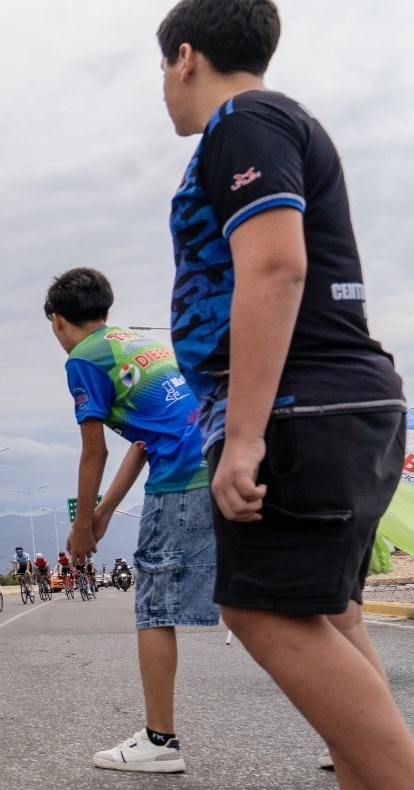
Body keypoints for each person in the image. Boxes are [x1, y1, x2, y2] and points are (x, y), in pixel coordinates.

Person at [157, 1, 414, 782]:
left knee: (259, 608)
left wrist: (243, 435)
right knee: (326, 612)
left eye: (160, 70)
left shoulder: (241, 121)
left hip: (301, 403)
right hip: (341, 400)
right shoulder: (273, 119)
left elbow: (274, 265)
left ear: (184, 57)